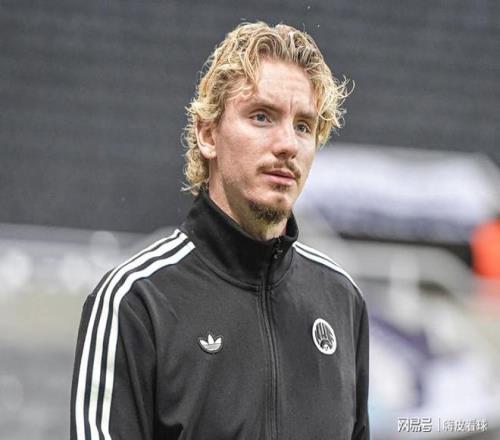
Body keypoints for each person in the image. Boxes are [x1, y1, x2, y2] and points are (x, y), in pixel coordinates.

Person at [70, 21, 370, 440]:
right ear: (207, 134)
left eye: (303, 126)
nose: (288, 144)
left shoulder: (342, 300)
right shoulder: (135, 301)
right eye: (262, 116)